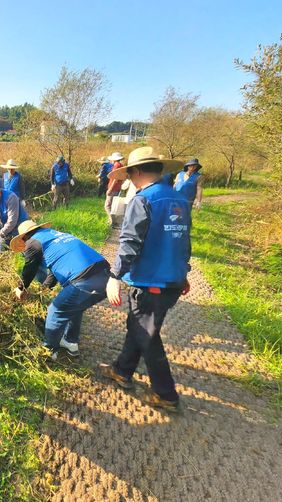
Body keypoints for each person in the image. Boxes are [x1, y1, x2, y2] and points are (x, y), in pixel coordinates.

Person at [99, 147, 191, 412]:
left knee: (146, 334)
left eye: (129, 174)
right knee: (139, 326)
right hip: (172, 280)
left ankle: (166, 394)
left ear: (136, 172)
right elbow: (184, 240)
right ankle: (122, 370)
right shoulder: (179, 199)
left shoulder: (143, 199)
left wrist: (114, 276)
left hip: (152, 280)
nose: (129, 179)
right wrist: (183, 273)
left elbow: (130, 242)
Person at [10, 220, 109, 360]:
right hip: (106, 278)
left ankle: (49, 351)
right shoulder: (55, 236)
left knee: (54, 311)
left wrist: (21, 288)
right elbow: (53, 271)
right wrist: (44, 289)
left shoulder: (32, 243)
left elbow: (29, 268)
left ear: (24, 237)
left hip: (84, 279)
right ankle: (70, 342)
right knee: (74, 308)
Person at [104, 152, 124, 224]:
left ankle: (112, 221)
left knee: (107, 206)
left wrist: (110, 189)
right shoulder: (121, 165)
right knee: (112, 205)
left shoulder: (116, 165)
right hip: (117, 187)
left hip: (114, 188)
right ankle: (111, 220)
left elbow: (115, 179)